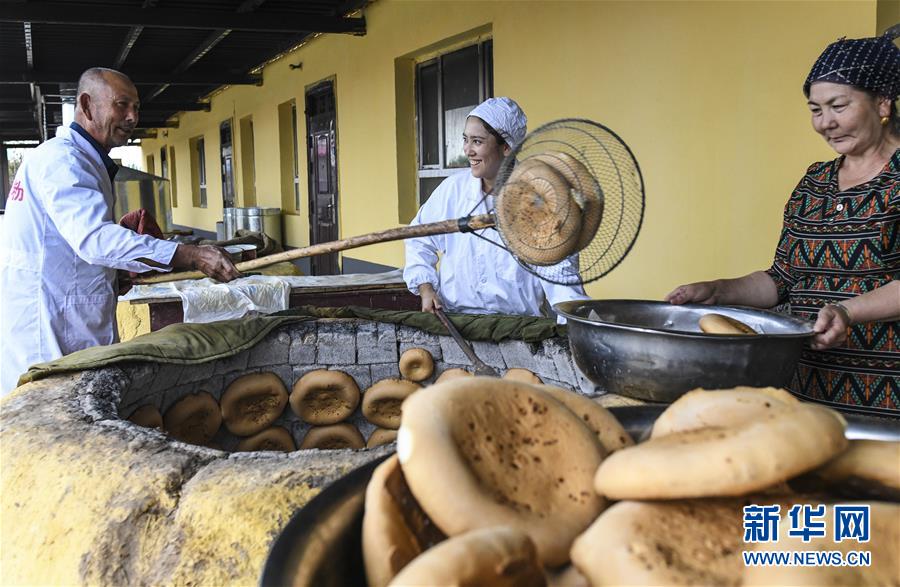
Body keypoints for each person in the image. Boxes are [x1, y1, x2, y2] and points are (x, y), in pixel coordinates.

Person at [666, 32, 900, 413]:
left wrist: (847, 312)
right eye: (815, 109)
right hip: (806, 386)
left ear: (882, 102)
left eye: (838, 106)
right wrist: (718, 290)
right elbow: (783, 278)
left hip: (888, 395)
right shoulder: (814, 182)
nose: (826, 123)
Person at [0, 67, 242, 396]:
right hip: (51, 329)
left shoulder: (79, 160)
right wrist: (189, 254)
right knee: (64, 418)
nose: (132, 117)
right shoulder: (64, 161)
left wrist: (110, 274)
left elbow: (66, 246)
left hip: (65, 315)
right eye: (121, 105)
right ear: (86, 106)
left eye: (137, 107)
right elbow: (93, 240)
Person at [403, 97, 589, 323]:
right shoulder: (453, 190)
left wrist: (573, 324)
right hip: (454, 321)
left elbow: (561, 276)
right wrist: (426, 288)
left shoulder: (541, 201)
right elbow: (419, 239)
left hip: (517, 329)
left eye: (477, 142)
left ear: (507, 147)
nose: (467, 150)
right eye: (465, 139)